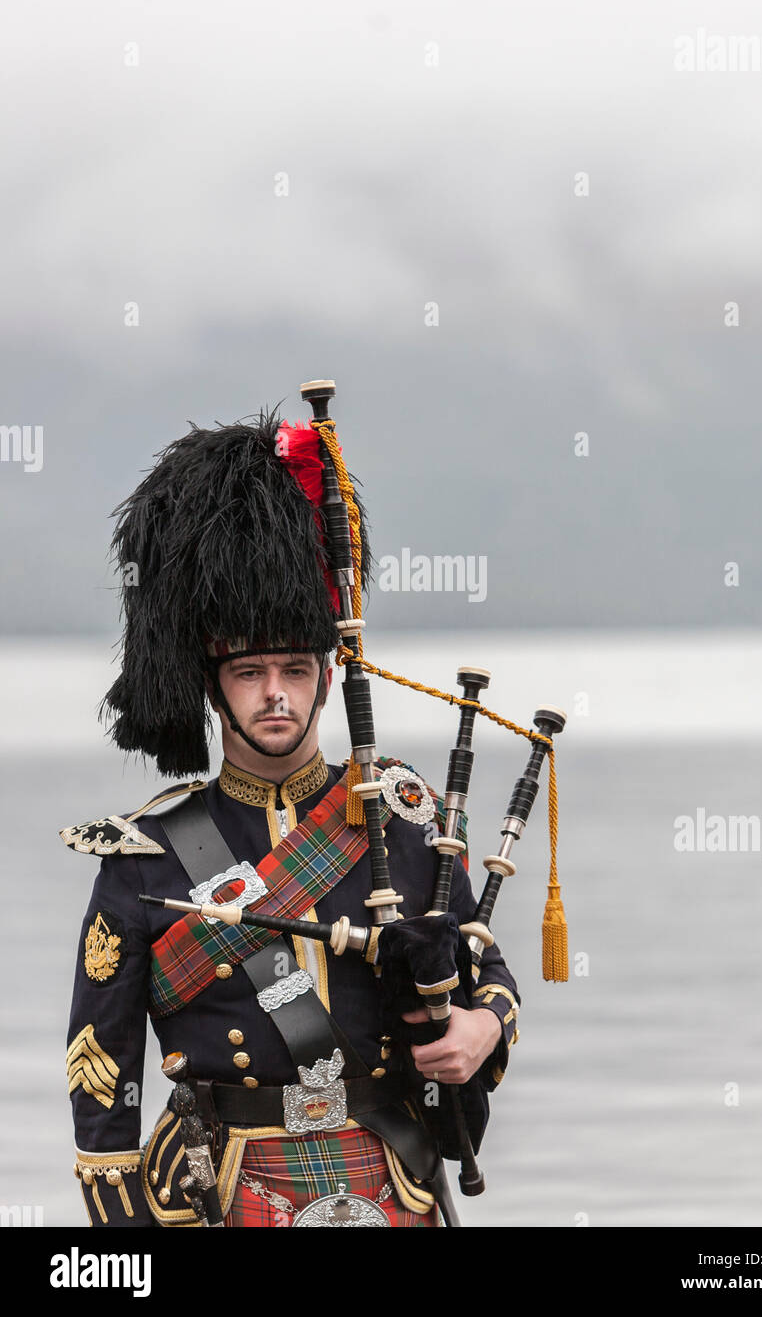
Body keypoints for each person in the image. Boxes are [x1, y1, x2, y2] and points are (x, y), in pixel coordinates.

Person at [63, 407, 520, 1227]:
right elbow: (102, 1066)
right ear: (212, 686)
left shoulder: (399, 812)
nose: (276, 692)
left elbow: (483, 966)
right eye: (249, 671)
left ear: (324, 676)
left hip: (389, 1174)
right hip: (219, 1188)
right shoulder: (148, 853)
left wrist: (484, 1028)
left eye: (294, 669)